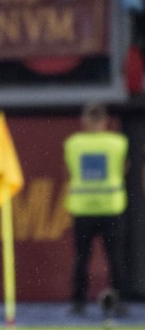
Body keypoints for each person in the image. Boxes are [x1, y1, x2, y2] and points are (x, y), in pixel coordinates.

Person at [63, 104, 129, 316]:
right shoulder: (118, 143)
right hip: (111, 208)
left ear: (84, 120)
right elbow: (124, 168)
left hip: (83, 210)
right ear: (105, 120)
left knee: (82, 258)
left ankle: (78, 303)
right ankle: (119, 302)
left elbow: (69, 169)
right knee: (115, 258)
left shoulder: (73, 144)